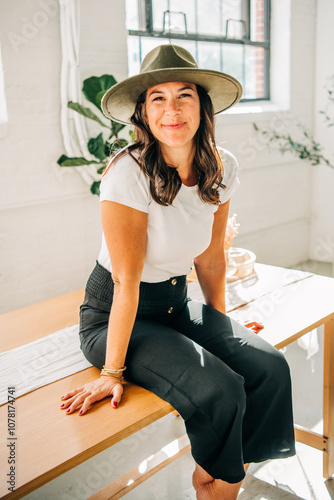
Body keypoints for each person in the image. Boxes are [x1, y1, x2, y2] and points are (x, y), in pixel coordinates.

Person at [60, 45, 296, 499]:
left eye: (184, 95)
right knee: (222, 389)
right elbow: (126, 282)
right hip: (117, 314)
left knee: (269, 367)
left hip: (174, 302)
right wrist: (112, 370)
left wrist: (220, 326)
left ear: (202, 107)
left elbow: (209, 258)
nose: (172, 109)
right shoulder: (126, 172)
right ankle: (222, 485)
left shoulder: (221, 167)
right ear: (144, 113)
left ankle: (223, 476)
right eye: (158, 98)